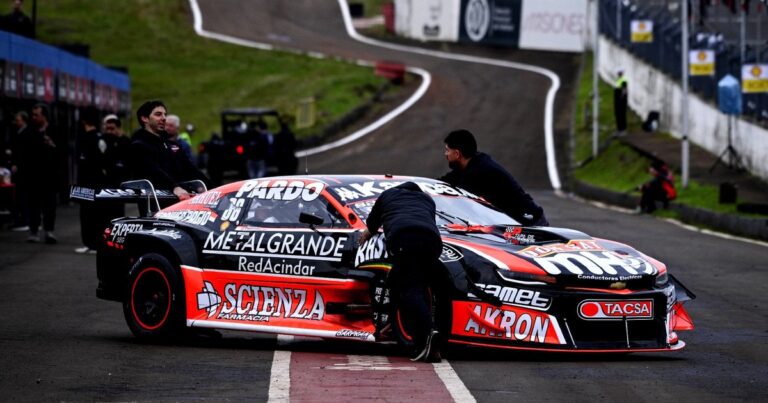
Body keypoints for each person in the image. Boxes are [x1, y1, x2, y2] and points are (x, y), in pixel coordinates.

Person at [358, 181, 443, 363]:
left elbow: (372, 223)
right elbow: (427, 221)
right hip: (433, 242)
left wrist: (367, 234)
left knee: (409, 291)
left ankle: (429, 333)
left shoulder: (388, 195)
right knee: (419, 285)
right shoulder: (427, 199)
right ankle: (422, 335)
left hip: (404, 238)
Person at [439, 129, 548, 226]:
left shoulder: (479, 171)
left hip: (530, 224)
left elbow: (459, 205)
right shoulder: (469, 165)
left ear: (457, 154)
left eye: (447, 150)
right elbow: (442, 183)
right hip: (512, 224)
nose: (445, 154)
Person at [128, 100, 209, 204]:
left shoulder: (173, 145)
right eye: (158, 114)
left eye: (164, 114)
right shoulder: (138, 146)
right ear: (145, 118)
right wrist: (174, 187)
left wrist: (216, 188)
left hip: (182, 203)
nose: (164, 118)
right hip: (156, 206)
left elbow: (191, 169)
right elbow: (153, 171)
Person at [24, 103, 58, 243]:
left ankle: (49, 231)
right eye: (32, 115)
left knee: (49, 204)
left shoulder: (54, 130)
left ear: (44, 116)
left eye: (36, 115)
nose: (33, 117)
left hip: (49, 175)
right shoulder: (30, 131)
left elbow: (60, 151)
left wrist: (51, 144)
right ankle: (34, 230)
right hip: (33, 174)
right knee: (33, 204)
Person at [7, 111, 30, 231]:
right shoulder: (18, 132)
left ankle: (24, 219)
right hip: (19, 168)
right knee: (19, 195)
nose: (16, 122)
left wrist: (17, 164)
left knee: (22, 195)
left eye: (18, 120)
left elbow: (24, 152)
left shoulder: (26, 133)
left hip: (23, 170)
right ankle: (21, 219)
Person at [614, 69, 628, 135]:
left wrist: (621, 98)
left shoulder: (624, 80)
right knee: (617, 114)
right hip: (617, 99)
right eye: (618, 73)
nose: (618, 74)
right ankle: (619, 129)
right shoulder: (618, 80)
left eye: (620, 73)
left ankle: (623, 129)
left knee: (622, 114)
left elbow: (624, 91)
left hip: (621, 100)